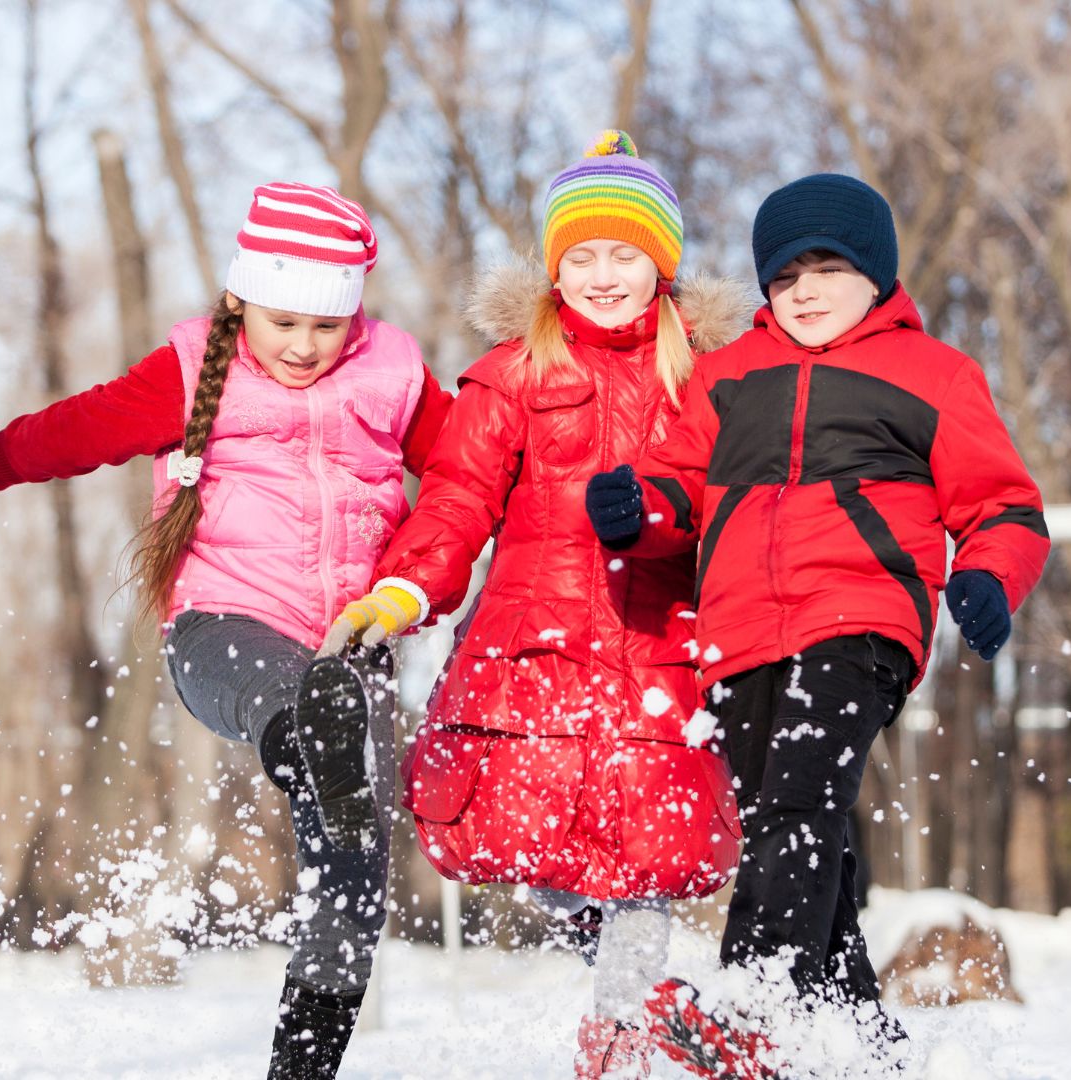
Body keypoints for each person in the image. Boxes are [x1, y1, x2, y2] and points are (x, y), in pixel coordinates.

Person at [0, 182, 452, 1080]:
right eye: (284, 323)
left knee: (354, 883)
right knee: (298, 708)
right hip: (224, 628)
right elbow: (77, 428)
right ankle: (308, 738)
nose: (303, 347)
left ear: (355, 316)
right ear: (242, 298)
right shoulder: (194, 368)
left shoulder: (392, 371)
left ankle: (302, 1068)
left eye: (326, 328)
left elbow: (472, 469)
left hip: (349, 644)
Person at [586, 174, 1051, 1077]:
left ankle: (755, 996)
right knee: (793, 823)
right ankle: (857, 1036)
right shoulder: (729, 377)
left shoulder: (934, 374)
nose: (805, 291)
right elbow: (679, 485)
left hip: (862, 615)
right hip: (738, 632)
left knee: (802, 799)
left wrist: (989, 579)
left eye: (828, 268)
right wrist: (634, 509)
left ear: (876, 274)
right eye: (786, 274)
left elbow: (1003, 506)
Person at [320, 132, 752, 1079]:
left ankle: (622, 1039)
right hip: (535, 655)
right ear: (557, 267)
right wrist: (401, 590)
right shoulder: (510, 374)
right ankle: (639, 1002)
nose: (603, 275)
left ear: (662, 264)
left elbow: (730, 508)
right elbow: (457, 501)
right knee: (533, 848)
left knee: (647, 860)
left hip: (659, 653)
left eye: (624, 254)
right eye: (582, 256)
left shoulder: (707, 383)